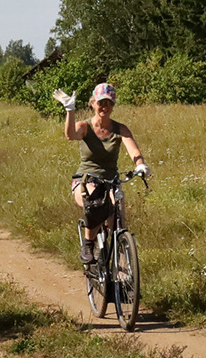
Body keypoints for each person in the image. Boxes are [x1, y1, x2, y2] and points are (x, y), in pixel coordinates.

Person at [54, 83, 149, 264]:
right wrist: (70, 110)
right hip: (85, 180)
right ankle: (89, 243)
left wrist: (141, 165)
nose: (104, 107)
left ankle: (122, 266)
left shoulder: (120, 129)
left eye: (109, 103)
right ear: (93, 103)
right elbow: (71, 134)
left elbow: (134, 151)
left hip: (111, 181)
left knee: (117, 217)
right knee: (96, 202)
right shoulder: (85, 126)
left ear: (113, 105)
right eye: (100, 102)